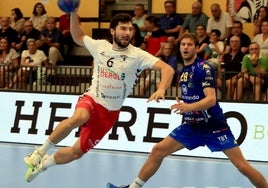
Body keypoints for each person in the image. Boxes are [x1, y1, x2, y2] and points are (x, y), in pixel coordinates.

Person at [23, 12, 174, 183]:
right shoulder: (100, 46)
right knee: (79, 117)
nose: (127, 32)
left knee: (76, 152)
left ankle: (42, 166)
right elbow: (78, 35)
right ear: (112, 31)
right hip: (93, 98)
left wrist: (161, 89)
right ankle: (39, 152)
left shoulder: (138, 55)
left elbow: (167, 69)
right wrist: (73, 13)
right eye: (123, 28)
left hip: (109, 113)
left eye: (130, 29)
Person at [106, 33, 268, 188]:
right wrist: (185, 103)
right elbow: (195, 97)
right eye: (183, 44)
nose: (185, 47)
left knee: (242, 166)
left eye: (190, 44)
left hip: (214, 126)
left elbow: (211, 99)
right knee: (157, 151)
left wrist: (188, 106)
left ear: (196, 48)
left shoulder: (203, 68)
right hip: (191, 126)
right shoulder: (183, 71)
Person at [218, 35, 245, 100]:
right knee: (215, 81)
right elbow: (221, 70)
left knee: (231, 83)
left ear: (239, 43)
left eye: (236, 41)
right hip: (225, 78)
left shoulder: (244, 56)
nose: (234, 43)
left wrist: (232, 79)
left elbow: (243, 71)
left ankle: (227, 101)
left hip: (237, 78)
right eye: (232, 41)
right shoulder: (225, 56)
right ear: (229, 43)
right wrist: (219, 64)